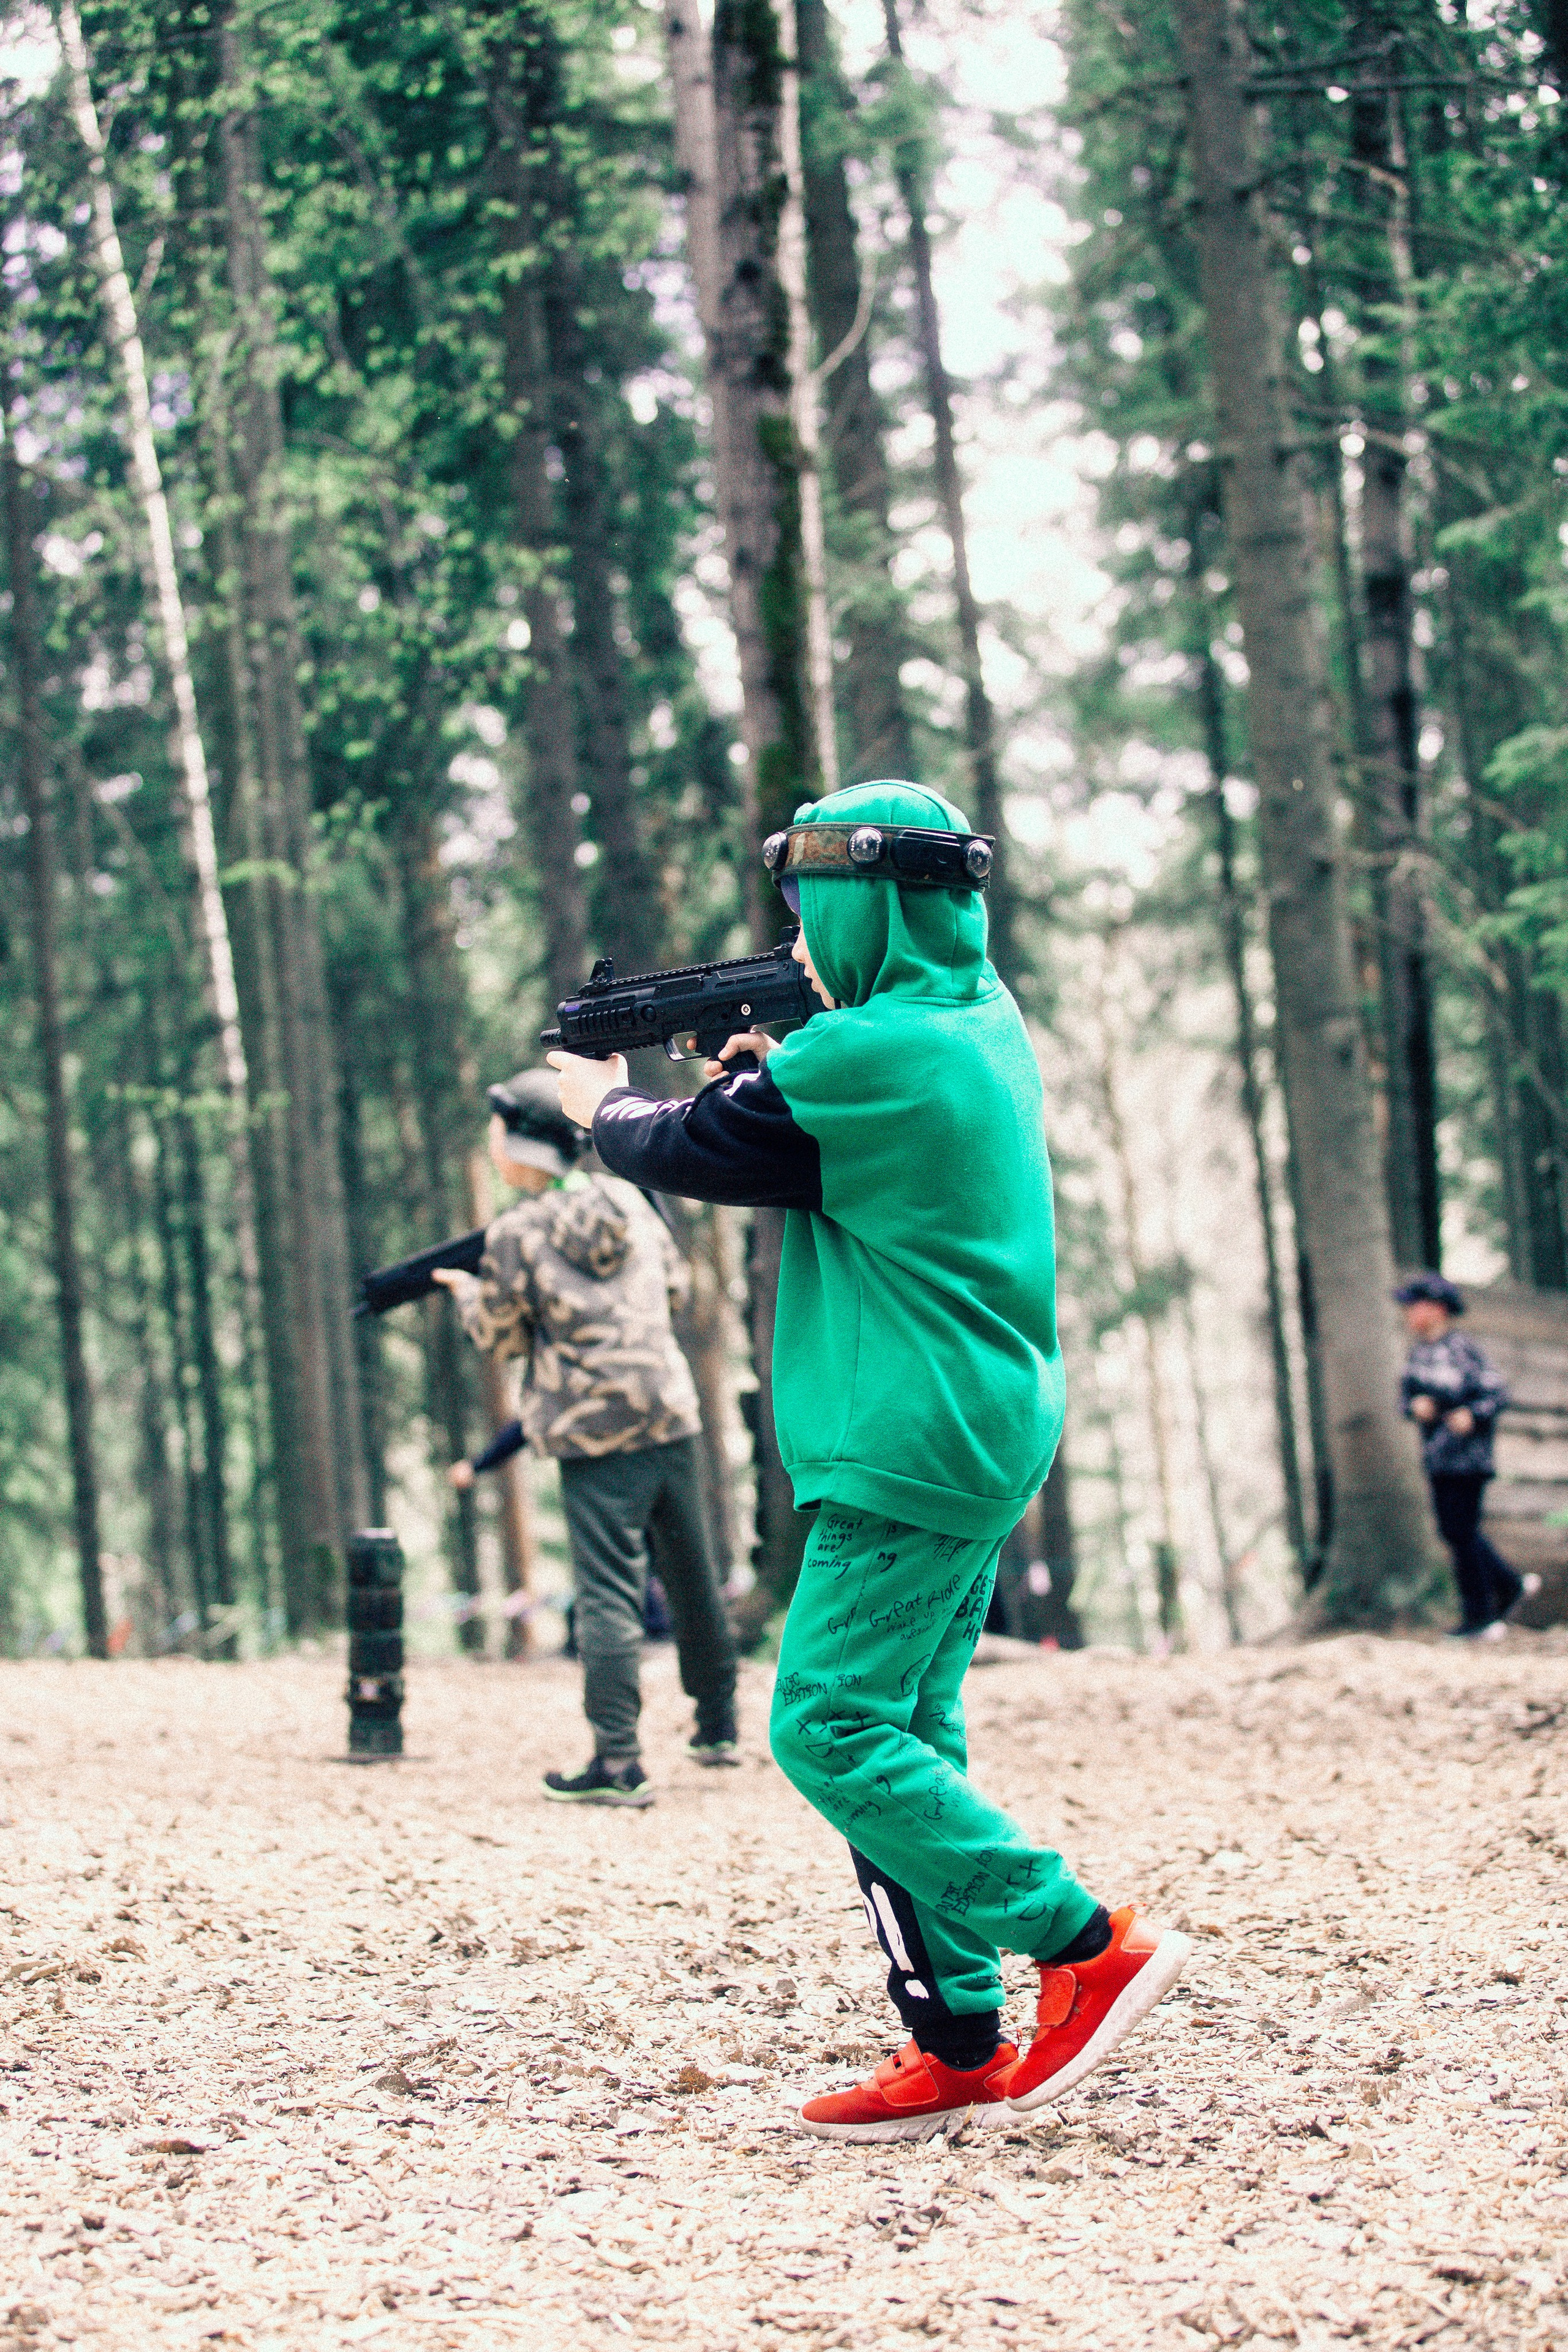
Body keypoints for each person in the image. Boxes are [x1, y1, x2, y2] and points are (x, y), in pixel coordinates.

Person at [550, 781, 1189, 2142]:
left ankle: (1082, 1942)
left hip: (907, 1443)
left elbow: (703, 1148)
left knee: (824, 1726)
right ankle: (955, 2040)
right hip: (973, 1423)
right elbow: (803, 1134)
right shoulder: (961, 1020)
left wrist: (600, 1110)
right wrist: (754, 1065)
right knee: (904, 1731)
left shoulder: (872, 1052)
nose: (793, 932)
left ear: (864, 899)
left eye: (806, 903)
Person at [435, 1069, 739, 1805]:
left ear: (520, 1144)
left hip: (589, 1431)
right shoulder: (632, 1202)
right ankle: (717, 1724)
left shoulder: (515, 1233)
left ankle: (617, 1760)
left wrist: (468, 1292)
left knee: (608, 1590)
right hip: (667, 1409)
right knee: (693, 1576)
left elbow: (502, 1338)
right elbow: (675, 1287)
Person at [1396, 1272, 1536, 1640]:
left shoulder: (1463, 1348)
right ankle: (1508, 1587)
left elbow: (1496, 1393)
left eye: (1416, 1306)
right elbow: (1404, 1398)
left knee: (1460, 1529)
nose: (1409, 1313)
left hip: (1470, 1458)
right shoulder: (1418, 1352)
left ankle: (1482, 1616)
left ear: (1439, 1309)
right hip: (1437, 1457)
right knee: (1454, 1531)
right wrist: (1415, 1407)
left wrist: (1472, 1415)